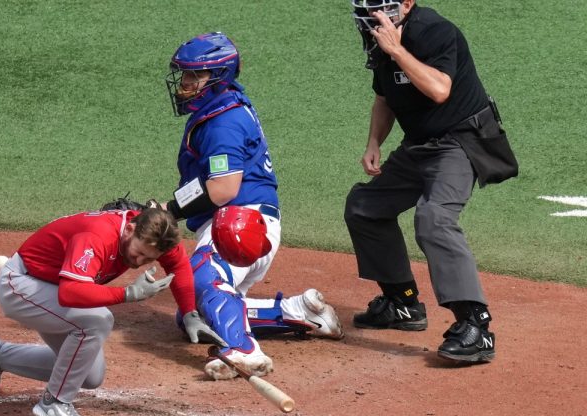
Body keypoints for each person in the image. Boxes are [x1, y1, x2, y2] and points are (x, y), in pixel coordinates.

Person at [160, 32, 344, 381]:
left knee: (203, 278)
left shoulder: (224, 122)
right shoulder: (224, 105)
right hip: (246, 219)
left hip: (239, 221)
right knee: (195, 317)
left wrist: (169, 209)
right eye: (183, 75)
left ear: (219, 77)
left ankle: (244, 351)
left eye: (193, 76)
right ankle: (298, 312)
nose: (184, 84)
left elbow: (223, 189)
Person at [346, 0, 518, 363]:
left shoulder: (435, 31)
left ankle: (476, 327)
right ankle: (402, 303)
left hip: (460, 141)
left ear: (406, 3)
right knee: (365, 206)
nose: (371, 15)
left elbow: (439, 89)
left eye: (380, 6)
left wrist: (397, 50)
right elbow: (384, 97)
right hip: (419, 146)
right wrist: (374, 142)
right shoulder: (380, 38)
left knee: (434, 218)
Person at [0, 208, 222, 416]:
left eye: (149, 259)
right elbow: (70, 292)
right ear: (130, 228)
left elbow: (178, 265)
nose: (139, 262)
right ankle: (55, 404)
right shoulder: (98, 236)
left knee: (88, 375)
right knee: (98, 319)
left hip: (49, 289)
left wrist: (190, 313)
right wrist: (127, 294)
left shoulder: (158, 235)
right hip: (20, 285)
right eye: (139, 253)